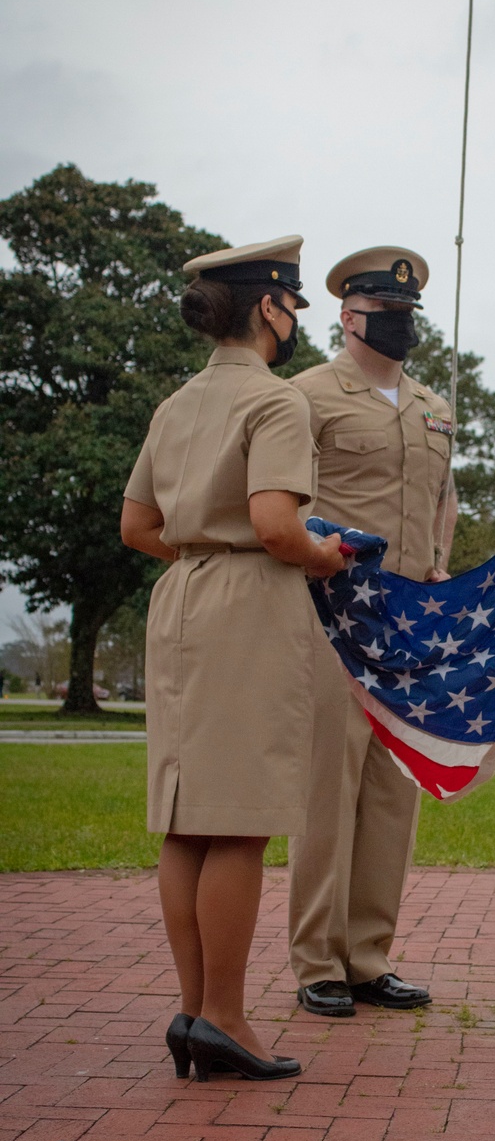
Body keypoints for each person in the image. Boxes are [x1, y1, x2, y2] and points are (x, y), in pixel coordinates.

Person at [121, 236, 346, 1083]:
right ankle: (227, 1017)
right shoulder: (278, 401)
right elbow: (278, 525)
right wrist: (322, 554)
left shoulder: (176, 404)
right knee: (242, 820)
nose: (295, 324)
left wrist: (200, 555)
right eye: (293, 307)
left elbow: (137, 527)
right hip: (249, 603)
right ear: (269, 308)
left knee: (186, 819)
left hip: (181, 598)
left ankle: (193, 1011)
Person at [288, 246, 457, 1018]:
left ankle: (367, 957)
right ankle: (318, 961)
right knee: (329, 787)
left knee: (392, 792)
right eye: (386, 315)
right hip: (330, 614)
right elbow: (280, 501)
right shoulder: (304, 398)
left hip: (408, 620)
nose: (399, 328)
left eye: (407, 316)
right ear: (348, 316)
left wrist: (439, 566)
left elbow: (443, 498)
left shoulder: (432, 405)